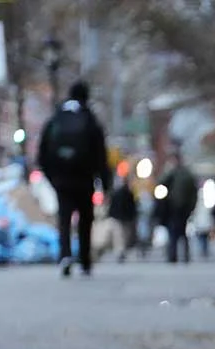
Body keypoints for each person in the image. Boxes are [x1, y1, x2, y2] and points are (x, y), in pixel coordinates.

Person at [37, 81, 112, 278]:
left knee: (64, 217)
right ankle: (85, 259)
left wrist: (51, 176)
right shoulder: (89, 118)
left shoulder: (56, 117)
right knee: (85, 219)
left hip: (61, 179)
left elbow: (43, 152)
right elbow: (100, 154)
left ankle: (65, 255)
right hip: (84, 178)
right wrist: (104, 182)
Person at [159, 151, 199, 264]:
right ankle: (179, 255)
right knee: (179, 233)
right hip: (177, 208)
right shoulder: (183, 174)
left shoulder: (180, 174)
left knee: (176, 233)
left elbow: (161, 183)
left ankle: (175, 256)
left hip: (178, 208)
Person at [108, 179, 139, 263]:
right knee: (123, 235)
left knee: (119, 236)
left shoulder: (117, 193)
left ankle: (120, 250)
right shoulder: (129, 194)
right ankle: (121, 250)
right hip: (124, 218)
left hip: (119, 217)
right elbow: (132, 207)